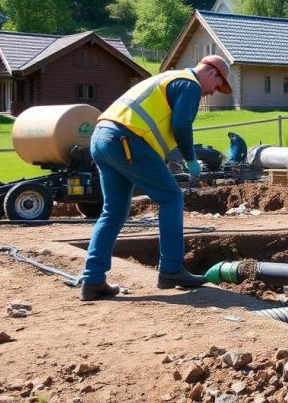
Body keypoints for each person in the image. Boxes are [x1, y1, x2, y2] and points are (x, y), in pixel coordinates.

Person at [78, 55, 233, 301]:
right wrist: (191, 158)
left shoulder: (169, 78)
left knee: (114, 212)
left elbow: (156, 122)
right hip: (125, 140)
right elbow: (182, 125)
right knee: (171, 198)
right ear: (212, 73)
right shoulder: (190, 84)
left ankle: (93, 280)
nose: (213, 93)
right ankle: (171, 269)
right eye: (217, 86)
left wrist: (166, 157)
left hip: (102, 138)